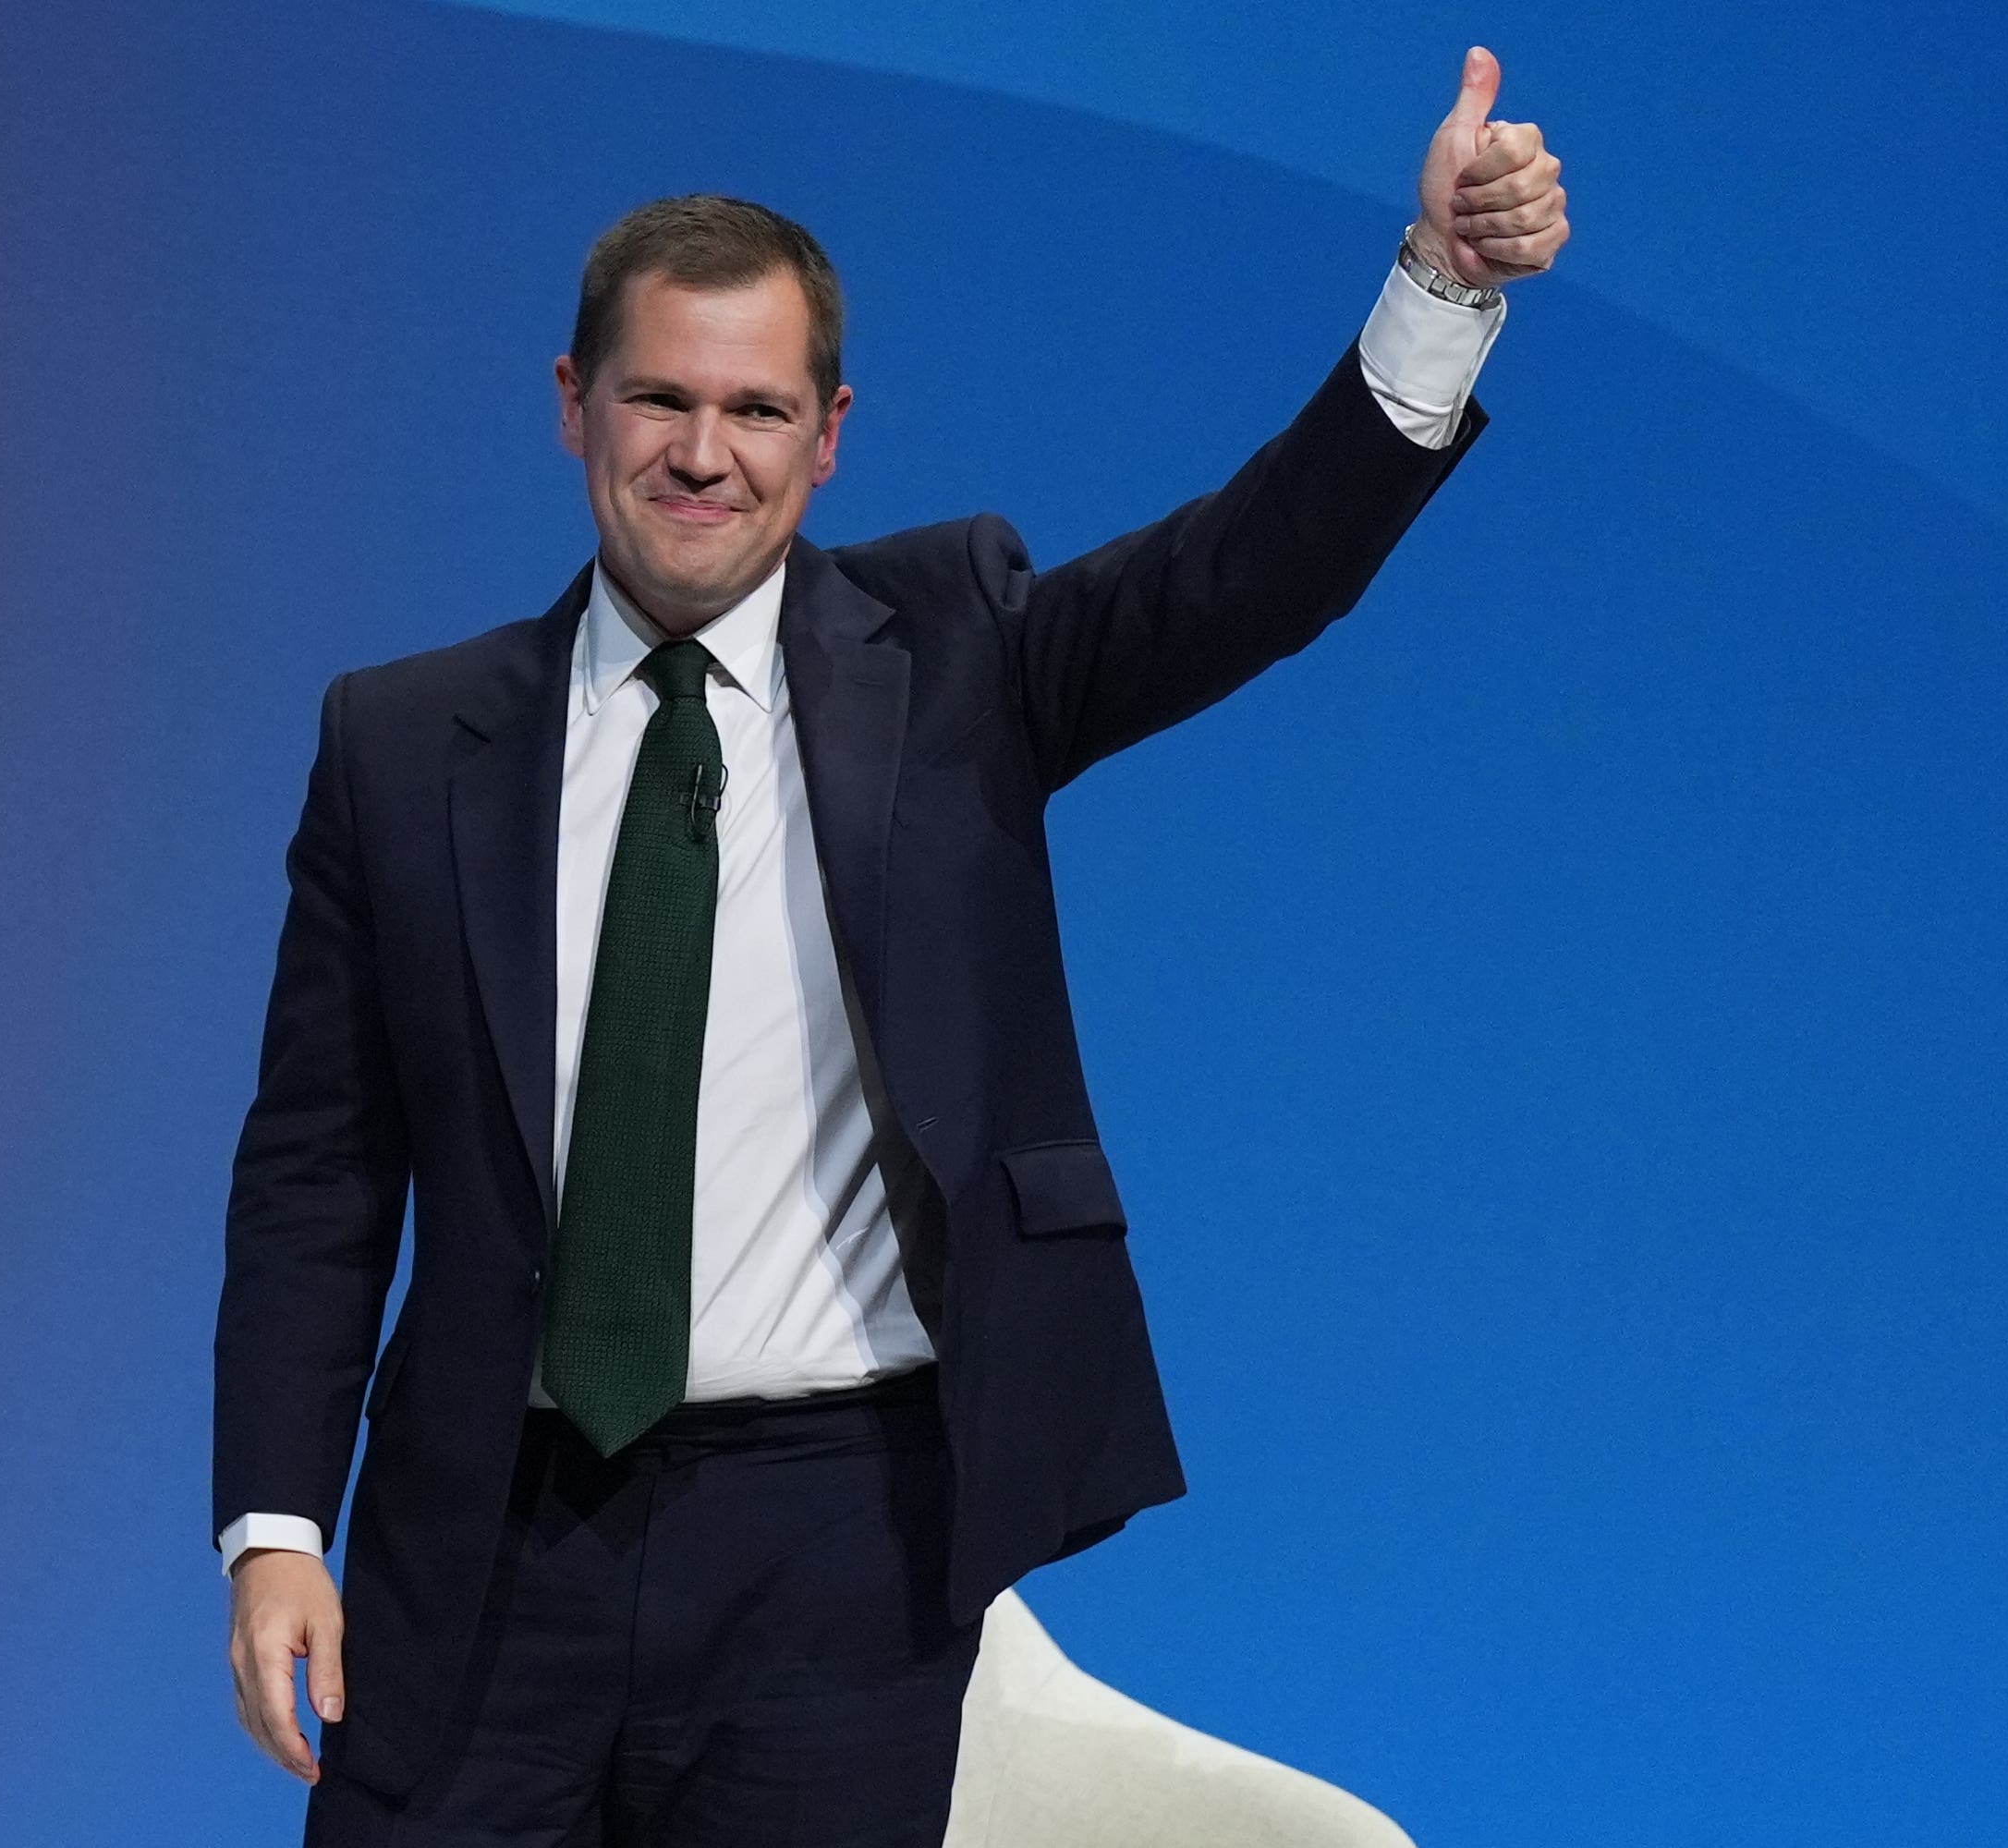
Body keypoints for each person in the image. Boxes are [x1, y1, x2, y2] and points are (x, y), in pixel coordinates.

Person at [215, 44, 1567, 1847]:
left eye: (761, 410)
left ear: (833, 432)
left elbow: (1253, 571)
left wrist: (1442, 289)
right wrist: (276, 1525)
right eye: (660, 400)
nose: (706, 453)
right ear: (571, 404)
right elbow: (317, 1168)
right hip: (484, 1539)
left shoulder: (955, 659)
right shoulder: (399, 740)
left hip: (833, 1548)